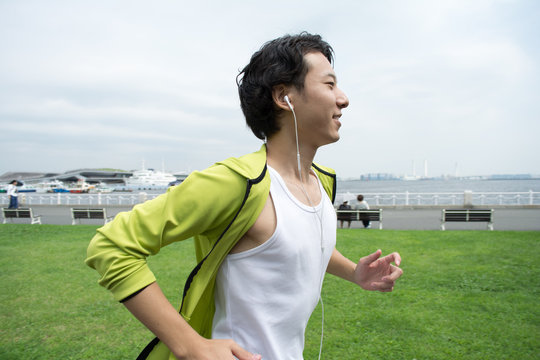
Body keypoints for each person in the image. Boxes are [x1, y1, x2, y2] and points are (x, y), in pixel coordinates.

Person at [86, 32, 403, 360]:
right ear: (285, 97)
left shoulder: (322, 182)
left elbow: (294, 245)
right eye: (329, 84)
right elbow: (112, 245)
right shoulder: (236, 183)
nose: (343, 98)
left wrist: (354, 272)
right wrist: (189, 344)